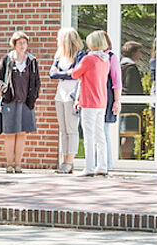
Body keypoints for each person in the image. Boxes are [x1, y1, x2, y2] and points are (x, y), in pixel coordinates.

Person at [0, 31, 40, 172]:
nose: (22, 45)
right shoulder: (7, 59)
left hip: (26, 102)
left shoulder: (31, 61)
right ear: (14, 44)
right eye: (19, 43)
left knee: (21, 133)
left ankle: (18, 165)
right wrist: (4, 88)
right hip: (10, 102)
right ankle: (9, 164)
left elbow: (37, 81)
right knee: (9, 133)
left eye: (24, 43)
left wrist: (34, 96)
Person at [70, 30, 115, 176]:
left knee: (89, 136)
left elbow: (75, 74)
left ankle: (89, 168)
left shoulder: (89, 59)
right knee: (100, 136)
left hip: (89, 101)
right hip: (101, 101)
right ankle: (102, 167)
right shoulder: (105, 59)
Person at [49, 27, 84, 174]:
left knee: (71, 129)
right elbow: (52, 74)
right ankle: (64, 161)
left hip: (72, 95)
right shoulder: (59, 56)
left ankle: (70, 161)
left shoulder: (79, 55)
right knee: (63, 130)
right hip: (60, 95)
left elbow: (75, 74)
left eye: (59, 38)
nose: (57, 40)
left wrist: (61, 74)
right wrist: (65, 74)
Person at [88, 29, 122, 171]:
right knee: (94, 133)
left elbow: (117, 81)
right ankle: (96, 163)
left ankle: (106, 164)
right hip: (92, 98)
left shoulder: (111, 57)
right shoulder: (90, 57)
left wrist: (117, 100)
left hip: (106, 97)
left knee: (104, 131)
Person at [119, 40, 146, 159]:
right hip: (129, 106)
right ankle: (126, 159)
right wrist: (140, 105)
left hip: (124, 105)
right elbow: (132, 88)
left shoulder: (121, 65)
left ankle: (125, 157)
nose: (140, 54)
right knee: (128, 135)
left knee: (125, 134)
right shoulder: (130, 68)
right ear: (133, 52)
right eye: (139, 51)